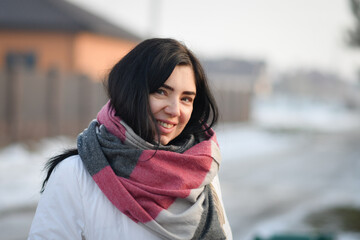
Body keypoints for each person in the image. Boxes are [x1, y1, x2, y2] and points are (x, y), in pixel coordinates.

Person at [28, 38, 233, 240]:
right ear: (131, 91)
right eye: (161, 92)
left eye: (186, 98)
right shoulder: (74, 175)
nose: (174, 110)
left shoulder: (201, 171)